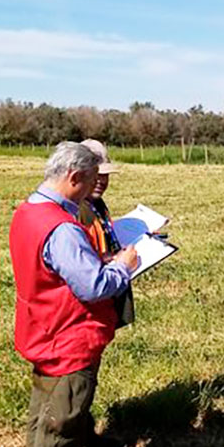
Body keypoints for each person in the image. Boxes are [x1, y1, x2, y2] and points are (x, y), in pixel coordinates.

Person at [8, 142, 139, 447]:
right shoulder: (62, 228)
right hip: (69, 340)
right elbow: (93, 286)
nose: (92, 190)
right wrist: (123, 267)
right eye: (90, 181)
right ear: (74, 177)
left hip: (44, 333)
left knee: (42, 430)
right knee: (59, 440)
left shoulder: (27, 212)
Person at [76, 139, 135, 328]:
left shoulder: (97, 204)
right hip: (89, 305)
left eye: (106, 175)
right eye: (97, 175)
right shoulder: (76, 209)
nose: (101, 181)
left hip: (106, 293)